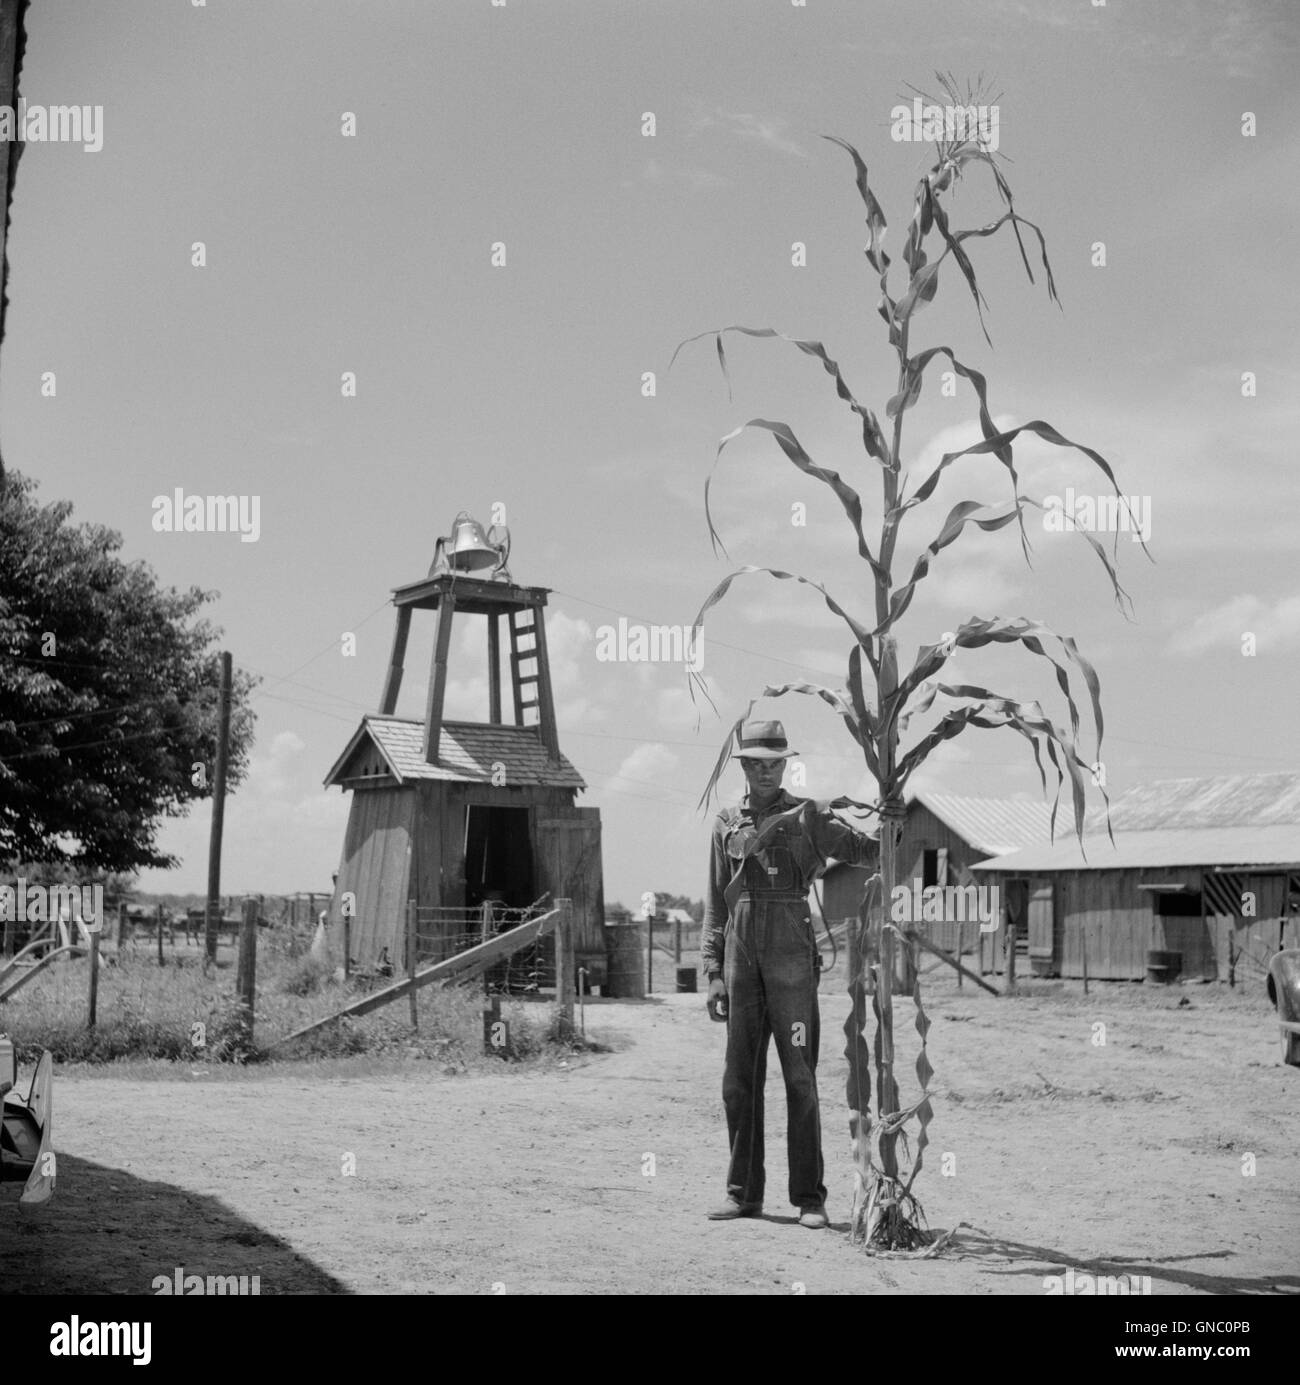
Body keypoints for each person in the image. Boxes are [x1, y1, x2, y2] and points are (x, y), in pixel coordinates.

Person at [701, 719, 878, 1228]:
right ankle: (743, 1195)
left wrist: (893, 816)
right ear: (744, 766)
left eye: (771, 763)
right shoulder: (727, 822)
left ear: (784, 765)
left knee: (799, 1077)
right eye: (753, 762)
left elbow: (868, 850)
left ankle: (809, 1198)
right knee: (738, 1081)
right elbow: (716, 902)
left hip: (792, 957)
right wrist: (712, 969)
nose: (762, 771)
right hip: (740, 958)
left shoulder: (809, 817)